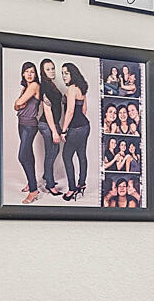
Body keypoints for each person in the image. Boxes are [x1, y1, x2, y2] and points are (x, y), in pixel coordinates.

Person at [11, 61, 51, 203]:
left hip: (29, 125)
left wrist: (18, 103)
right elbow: (16, 107)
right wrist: (18, 103)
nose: (29, 74)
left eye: (32, 72)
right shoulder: (25, 87)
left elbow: (18, 103)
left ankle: (34, 190)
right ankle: (31, 181)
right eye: (27, 71)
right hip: (21, 123)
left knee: (22, 156)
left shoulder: (34, 86)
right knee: (28, 153)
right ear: (23, 73)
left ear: (35, 74)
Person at [58, 62, 95, 200]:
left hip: (75, 128)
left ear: (73, 73)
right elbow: (84, 110)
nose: (63, 76)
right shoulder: (82, 88)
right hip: (85, 126)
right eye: (62, 73)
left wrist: (63, 130)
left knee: (67, 156)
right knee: (81, 155)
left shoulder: (72, 89)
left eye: (66, 73)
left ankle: (72, 189)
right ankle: (82, 184)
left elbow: (70, 111)